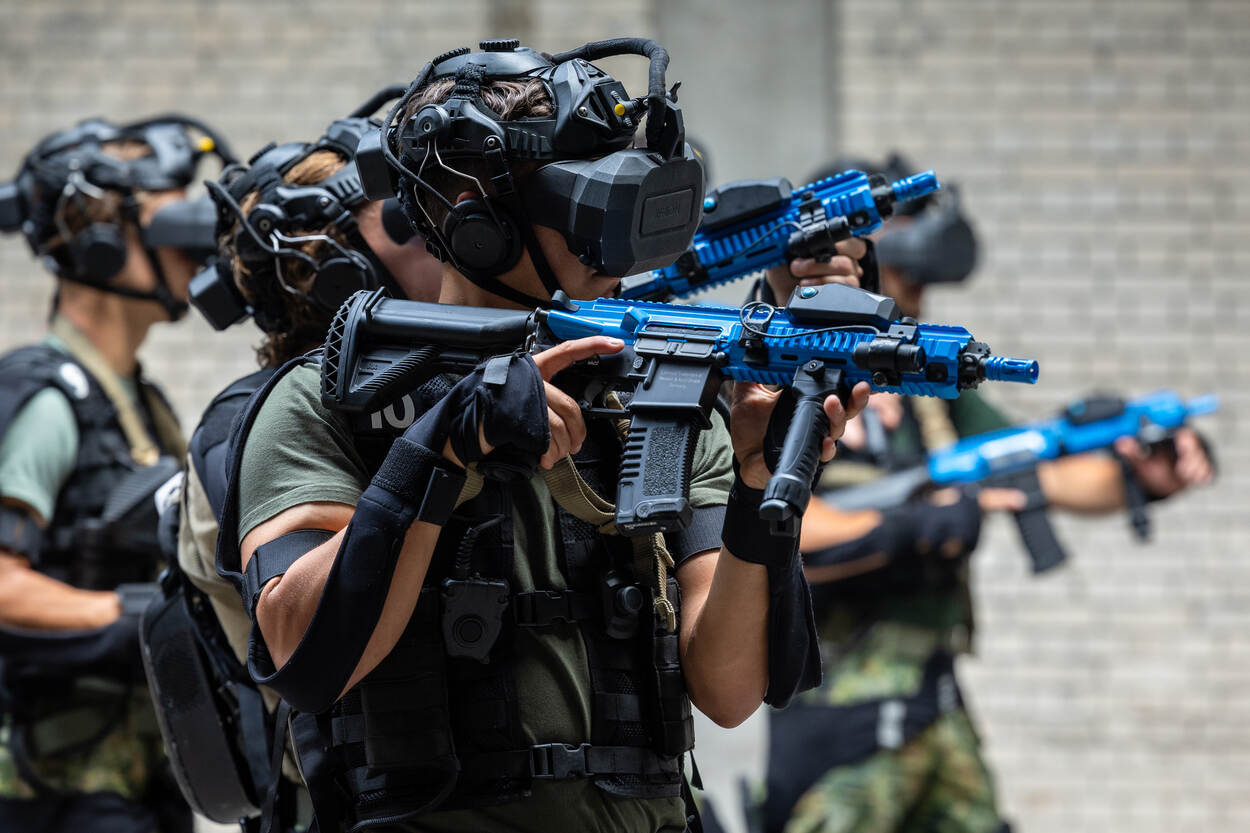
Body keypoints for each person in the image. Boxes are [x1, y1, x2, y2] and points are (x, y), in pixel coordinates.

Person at [214, 39, 869, 833]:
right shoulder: (330, 399)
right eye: (589, 200)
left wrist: (759, 493)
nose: (624, 237)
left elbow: (728, 690)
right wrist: (439, 455)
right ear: (472, 210)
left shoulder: (655, 395)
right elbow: (302, 651)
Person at [757, 154, 1215, 833]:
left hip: (934, 705)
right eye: (896, 281)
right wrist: (916, 525)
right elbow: (774, 539)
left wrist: (1142, 472)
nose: (911, 305)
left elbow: (1040, 469)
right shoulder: (777, 387)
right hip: (840, 718)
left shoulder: (932, 400)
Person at [152, 103, 442, 832]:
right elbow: (314, 613)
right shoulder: (245, 422)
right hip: (338, 799)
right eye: (406, 221)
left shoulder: (423, 391)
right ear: (337, 271)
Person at [0, 115, 233, 833]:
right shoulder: (47, 396)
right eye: (172, 218)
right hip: (60, 789)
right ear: (102, 248)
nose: (192, 242)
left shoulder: (136, 398)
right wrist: (138, 618)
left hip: (143, 776)